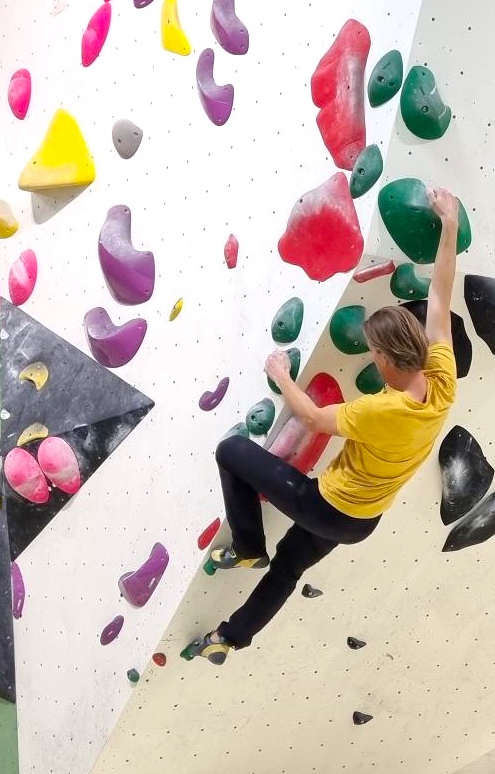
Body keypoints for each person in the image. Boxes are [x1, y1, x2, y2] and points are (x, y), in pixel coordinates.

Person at [187, 188, 463, 664]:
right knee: (288, 571)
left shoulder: (382, 411)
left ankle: (250, 544)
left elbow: (312, 417)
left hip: (328, 506)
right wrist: (450, 225)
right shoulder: (441, 378)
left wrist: (281, 375)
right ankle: (228, 638)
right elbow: (440, 294)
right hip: (364, 521)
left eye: (373, 350)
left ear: (383, 358)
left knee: (231, 452)